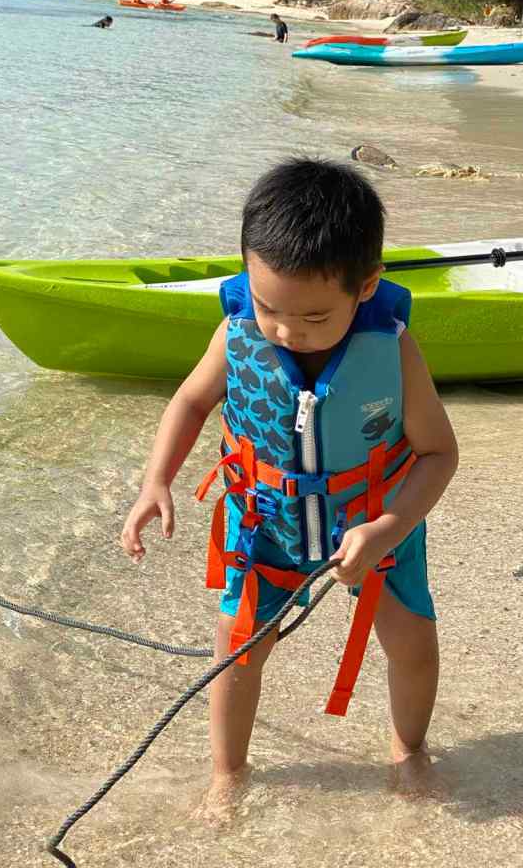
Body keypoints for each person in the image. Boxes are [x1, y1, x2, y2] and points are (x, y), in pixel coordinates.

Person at [121, 158, 458, 813]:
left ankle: (408, 751)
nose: (283, 329)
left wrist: (390, 525)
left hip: (373, 524)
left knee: (412, 645)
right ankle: (228, 774)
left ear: (366, 286)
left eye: (311, 318)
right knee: (238, 654)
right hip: (266, 525)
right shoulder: (239, 330)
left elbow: (439, 454)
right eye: (269, 306)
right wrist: (155, 481)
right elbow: (190, 402)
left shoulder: (393, 352)